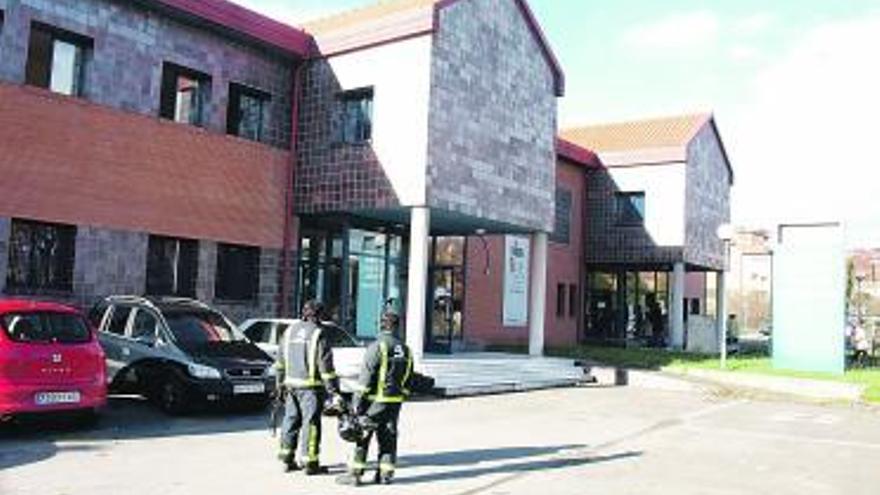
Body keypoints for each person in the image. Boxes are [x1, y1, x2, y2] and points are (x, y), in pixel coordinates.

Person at [337, 310, 413, 487]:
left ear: (381, 326)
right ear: (397, 326)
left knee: (362, 435)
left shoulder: (377, 347)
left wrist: (356, 403)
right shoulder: (405, 349)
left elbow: (365, 379)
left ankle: (355, 475)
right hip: (394, 402)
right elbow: (409, 378)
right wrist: (401, 396)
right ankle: (385, 475)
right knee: (388, 437)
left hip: (374, 401)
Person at [275, 300, 343, 475]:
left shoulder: (289, 331)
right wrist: (334, 391)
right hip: (310, 389)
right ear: (319, 315)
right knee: (310, 424)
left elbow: (280, 363)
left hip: (290, 386)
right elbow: (325, 367)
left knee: (290, 420)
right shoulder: (318, 334)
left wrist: (279, 384)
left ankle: (286, 460)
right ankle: (310, 463)